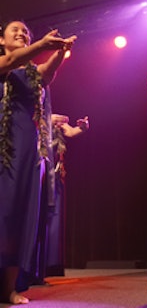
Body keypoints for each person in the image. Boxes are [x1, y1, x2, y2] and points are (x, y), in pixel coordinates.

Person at [0, 20, 75, 304]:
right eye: (15, 31)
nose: (21, 34)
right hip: (3, 144)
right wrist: (41, 45)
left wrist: (60, 53)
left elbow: (46, 73)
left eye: (26, 32)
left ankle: (8, 288)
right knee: (2, 211)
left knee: (20, 213)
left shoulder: (31, 72)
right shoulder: (4, 63)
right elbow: (9, 60)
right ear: (1, 40)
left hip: (28, 151)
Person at [42, 114, 90, 279]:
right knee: (43, 217)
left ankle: (52, 264)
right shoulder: (41, 117)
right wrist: (49, 120)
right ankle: (39, 264)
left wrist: (83, 127)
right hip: (42, 172)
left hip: (56, 174)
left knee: (55, 217)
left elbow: (70, 132)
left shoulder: (57, 121)